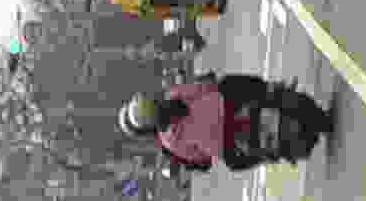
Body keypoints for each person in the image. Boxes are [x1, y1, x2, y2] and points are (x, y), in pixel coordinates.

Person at [119, 73, 333, 172]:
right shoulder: (174, 94)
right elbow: (206, 87)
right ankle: (273, 91)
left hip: (228, 146)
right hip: (230, 104)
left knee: (238, 163)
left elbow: (201, 159)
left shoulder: (169, 142)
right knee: (237, 84)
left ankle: (277, 153)